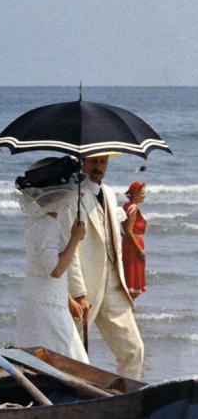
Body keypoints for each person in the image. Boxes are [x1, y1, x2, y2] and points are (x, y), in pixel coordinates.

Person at [68, 153, 144, 379]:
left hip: (113, 284)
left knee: (133, 349)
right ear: (83, 163)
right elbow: (69, 252)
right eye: (93, 161)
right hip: (86, 288)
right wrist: (78, 292)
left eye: (102, 162)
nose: (98, 167)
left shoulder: (110, 194)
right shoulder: (72, 196)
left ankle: (128, 400)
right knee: (72, 355)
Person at [14, 158, 89, 362]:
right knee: (72, 363)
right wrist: (74, 239)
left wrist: (69, 300)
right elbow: (54, 269)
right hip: (47, 311)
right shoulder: (48, 226)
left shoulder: (37, 222)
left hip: (40, 302)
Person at [122, 181, 147, 299]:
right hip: (133, 245)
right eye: (142, 193)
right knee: (132, 278)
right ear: (135, 193)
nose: (144, 195)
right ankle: (130, 307)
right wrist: (139, 250)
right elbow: (129, 230)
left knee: (128, 276)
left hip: (128, 244)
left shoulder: (126, 206)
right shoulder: (133, 209)